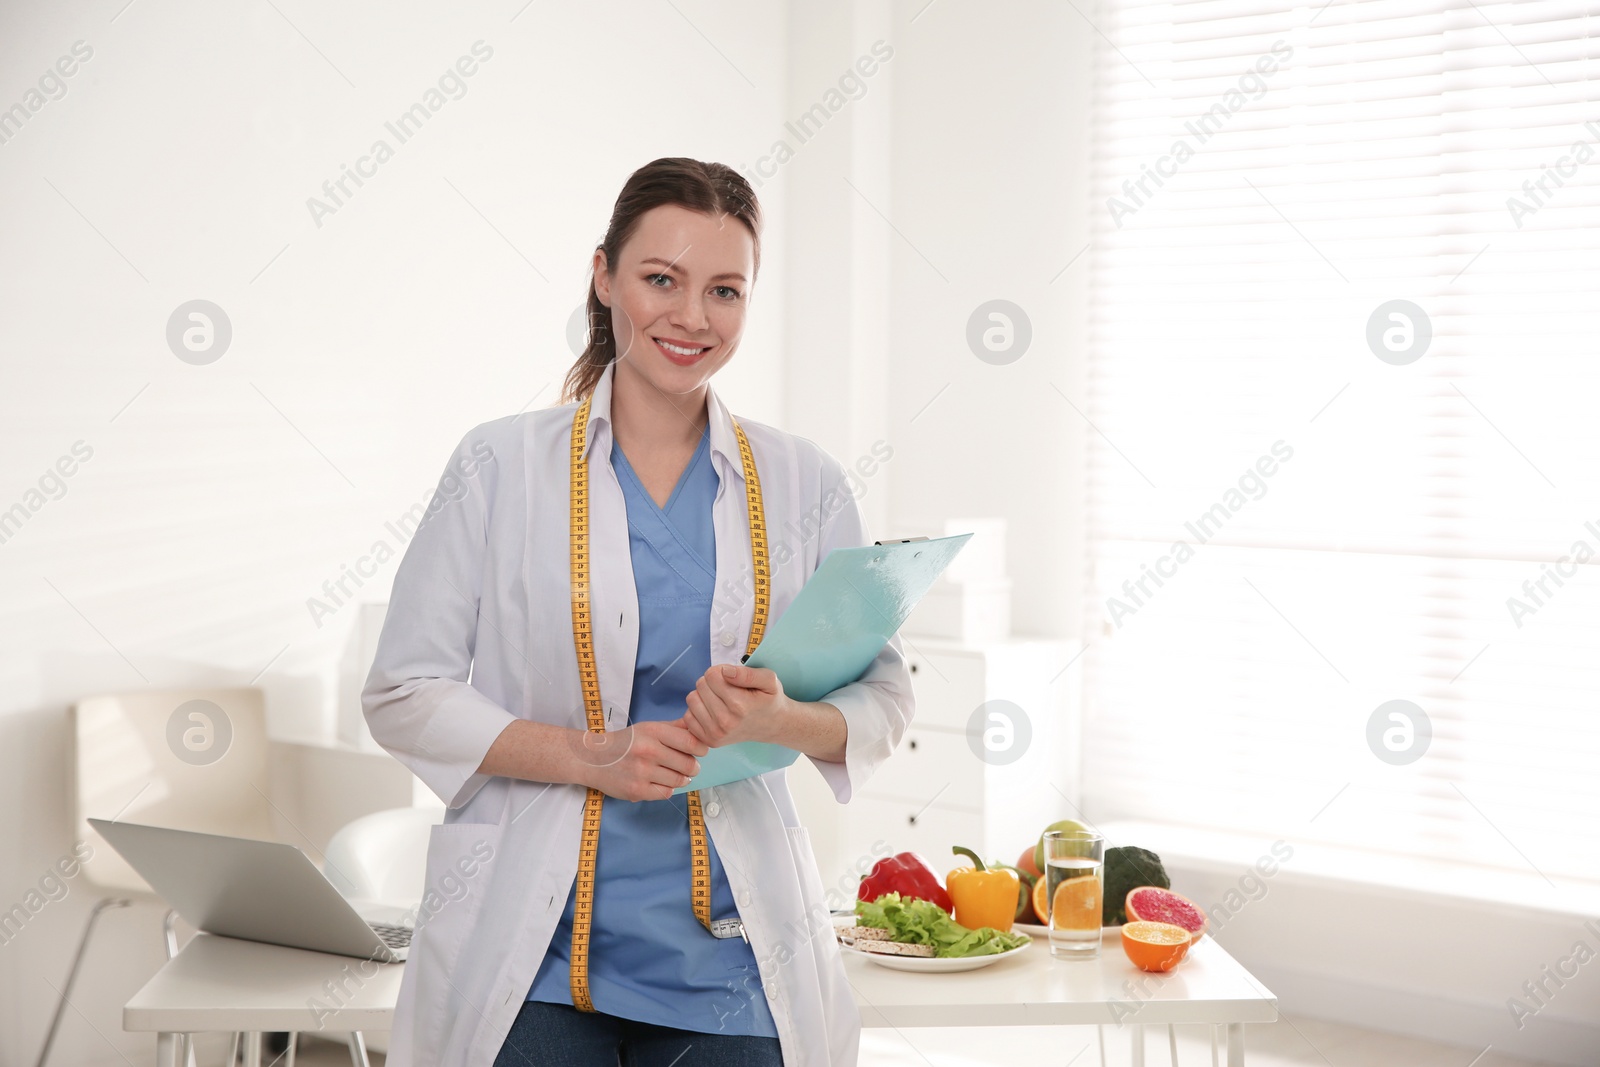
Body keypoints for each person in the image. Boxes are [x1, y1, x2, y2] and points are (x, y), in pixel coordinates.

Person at [362, 157, 915, 1067]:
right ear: (604, 275)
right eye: (662, 279)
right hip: (534, 949)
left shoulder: (802, 479)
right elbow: (403, 691)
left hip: (730, 958)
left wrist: (783, 719)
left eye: (725, 290)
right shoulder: (499, 467)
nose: (693, 316)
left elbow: (884, 697)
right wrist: (590, 754)